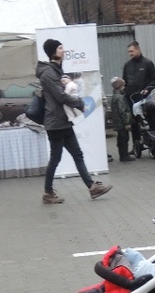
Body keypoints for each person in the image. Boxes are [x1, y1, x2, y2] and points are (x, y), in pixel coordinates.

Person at [36, 39, 112, 205]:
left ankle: (92, 187)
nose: (64, 50)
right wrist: (80, 103)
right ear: (53, 52)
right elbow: (60, 96)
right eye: (60, 48)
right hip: (55, 122)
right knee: (56, 158)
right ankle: (48, 192)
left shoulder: (55, 69)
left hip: (63, 121)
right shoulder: (48, 73)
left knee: (77, 154)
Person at [122, 41, 155, 154]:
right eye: (129, 52)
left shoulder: (147, 63)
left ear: (138, 49)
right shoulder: (127, 65)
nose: (130, 53)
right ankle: (136, 145)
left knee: (150, 119)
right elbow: (125, 80)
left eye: (132, 51)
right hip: (131, 98)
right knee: (134, 122)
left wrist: (147, 89)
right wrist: (124, 90)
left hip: (145, 98)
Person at [110, 77, 135, 162]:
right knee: (124, 139)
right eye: (123, 85)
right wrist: (127, 122)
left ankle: (123, 155)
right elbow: (123, 111)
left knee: (121, 138)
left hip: (117, 122)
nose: (124, 87)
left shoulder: (114, 96)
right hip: (122, 123)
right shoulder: (120, 97)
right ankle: (124, 156)